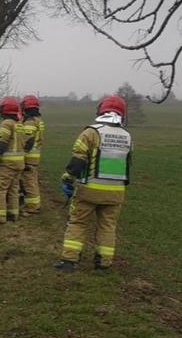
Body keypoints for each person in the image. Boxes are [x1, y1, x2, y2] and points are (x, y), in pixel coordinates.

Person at [55, 95, 133, 272]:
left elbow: (78, 161)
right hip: (116, 192)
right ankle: (103, 263)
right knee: (107, 226)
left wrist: (67, 178)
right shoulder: (127, 136)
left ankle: (69, 261)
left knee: (78, 223)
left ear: (100, 110)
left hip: (89, 190)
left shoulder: (91, 132)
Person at [0, 96, 24, 224]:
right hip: (19, 163)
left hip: (7, 164)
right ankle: (13, 214)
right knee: (14, 189)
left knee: (0, 188)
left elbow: (2, 143)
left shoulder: (6, 123)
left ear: (5, 109)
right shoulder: (18, 124)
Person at [20, 95, 45, 214]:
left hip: (29, 158)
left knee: (29, 182)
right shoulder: (38, 121)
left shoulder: (30, 122)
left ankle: (32, 208)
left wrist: (21, 155)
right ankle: (35, 204)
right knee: (33, 181)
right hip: (35, 157)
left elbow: (27, 141)